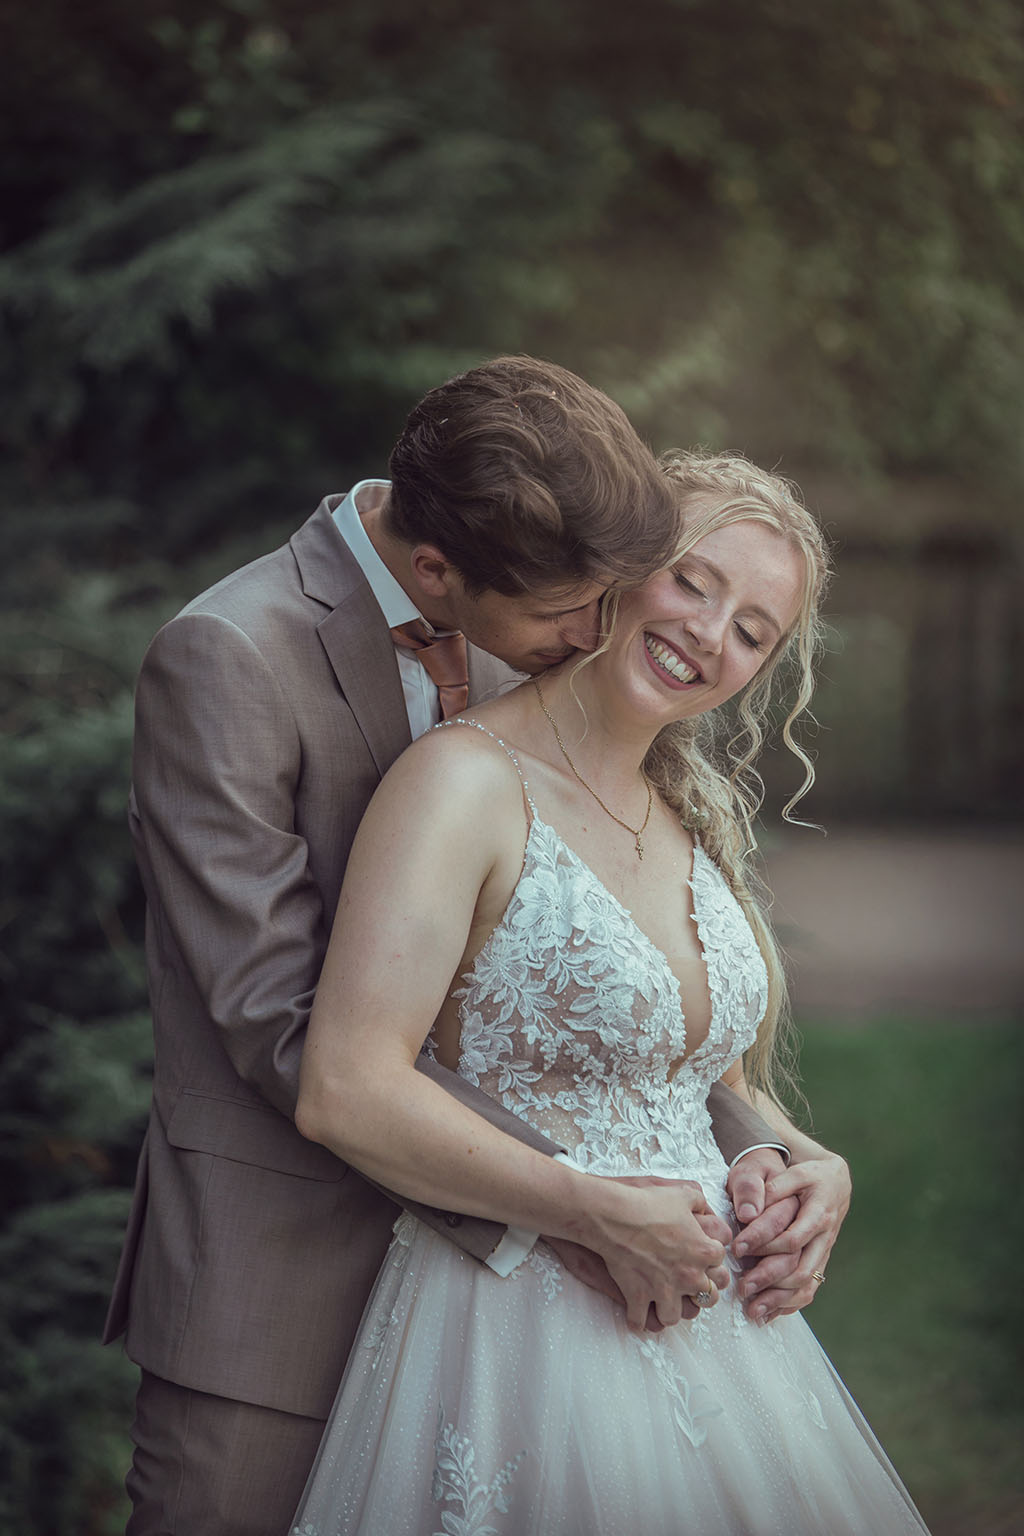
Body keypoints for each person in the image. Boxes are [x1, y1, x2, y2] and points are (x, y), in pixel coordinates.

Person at [104, 359, 838, 1536]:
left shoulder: (540, 590)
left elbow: (606, 986)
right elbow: (281, 1026)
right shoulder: (231, 659)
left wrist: (763, 1152)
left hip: (539, 1314)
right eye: (576, 614)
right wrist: (581, 1208)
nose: (597, 632)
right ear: (437, 574)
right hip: (285, 1280)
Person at [290, 449, 928, 1535]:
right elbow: (346, 1087)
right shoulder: (461, 783)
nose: (708, 634)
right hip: (518, 1336)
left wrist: (799, 1162)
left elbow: (694, 1082)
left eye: (752, 630)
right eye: (693, 580)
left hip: (730, 1350)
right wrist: (590, 1210)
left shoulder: (685, 816)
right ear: (621, 564)